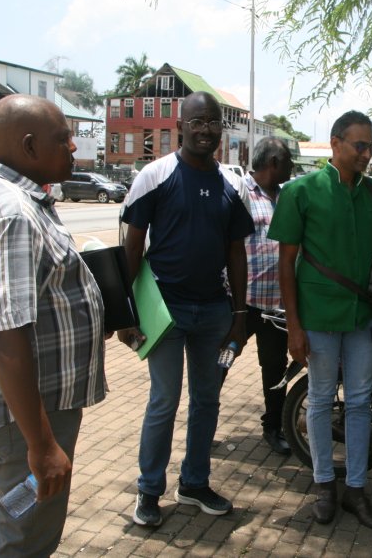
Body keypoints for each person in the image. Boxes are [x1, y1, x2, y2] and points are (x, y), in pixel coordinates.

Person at [0, 94, 107, 557]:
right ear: (29, 146)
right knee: (27, 538)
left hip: (36, 409)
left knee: (29, 526)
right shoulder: (14, 216)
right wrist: (41, 445)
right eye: (63, 140)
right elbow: (7, 336)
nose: (74, 149)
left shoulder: (26, 200)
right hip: (31, 416)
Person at [118, 91, 255, 527]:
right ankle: (148, 490)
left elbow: (237, 253)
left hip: (214, 313)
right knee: (164, 399)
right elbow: (132, 247)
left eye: (213, 122)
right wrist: (125, 312)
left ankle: (194, 483)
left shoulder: (232, 184)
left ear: (221, 128)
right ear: (180, 125)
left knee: (207, 401)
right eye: (197, 121)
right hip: (165, 310)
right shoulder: (155, 175)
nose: (205, 129)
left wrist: (239, 315)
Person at [268, 110, 372, 531]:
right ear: (335, 144)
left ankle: (357, 490)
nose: (368, 154)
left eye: (371, 146)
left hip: (363, 317)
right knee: (323, 399)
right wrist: (294, 326)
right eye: (360, 146)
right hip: (319, 318)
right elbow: (286, 264)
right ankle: (325, 484)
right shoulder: (301, 192)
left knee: (362, 402)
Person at [234, 136, 295, 455]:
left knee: (274, 368)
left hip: (277, 305)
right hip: (243, 305)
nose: (292, 168)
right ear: (273, 162)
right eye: (288, 162)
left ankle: (273, 427)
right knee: (221, 362)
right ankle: (204, 424)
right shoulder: (241, 192)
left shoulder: (287, 197)